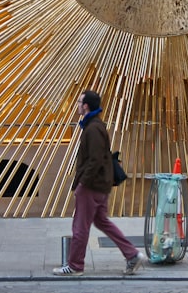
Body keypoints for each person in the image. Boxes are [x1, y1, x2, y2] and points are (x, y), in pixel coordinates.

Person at [53, 90, 145, 276]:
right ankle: (132, 254)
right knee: (102, 221)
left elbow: (94, 160)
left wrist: (82, 184)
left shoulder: (93, 128)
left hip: (92, 185)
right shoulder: (94, 125)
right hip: (99, 184)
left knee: (80, 226)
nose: (77, 104)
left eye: (79, 101)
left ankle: (75, 265)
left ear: (86, 106)